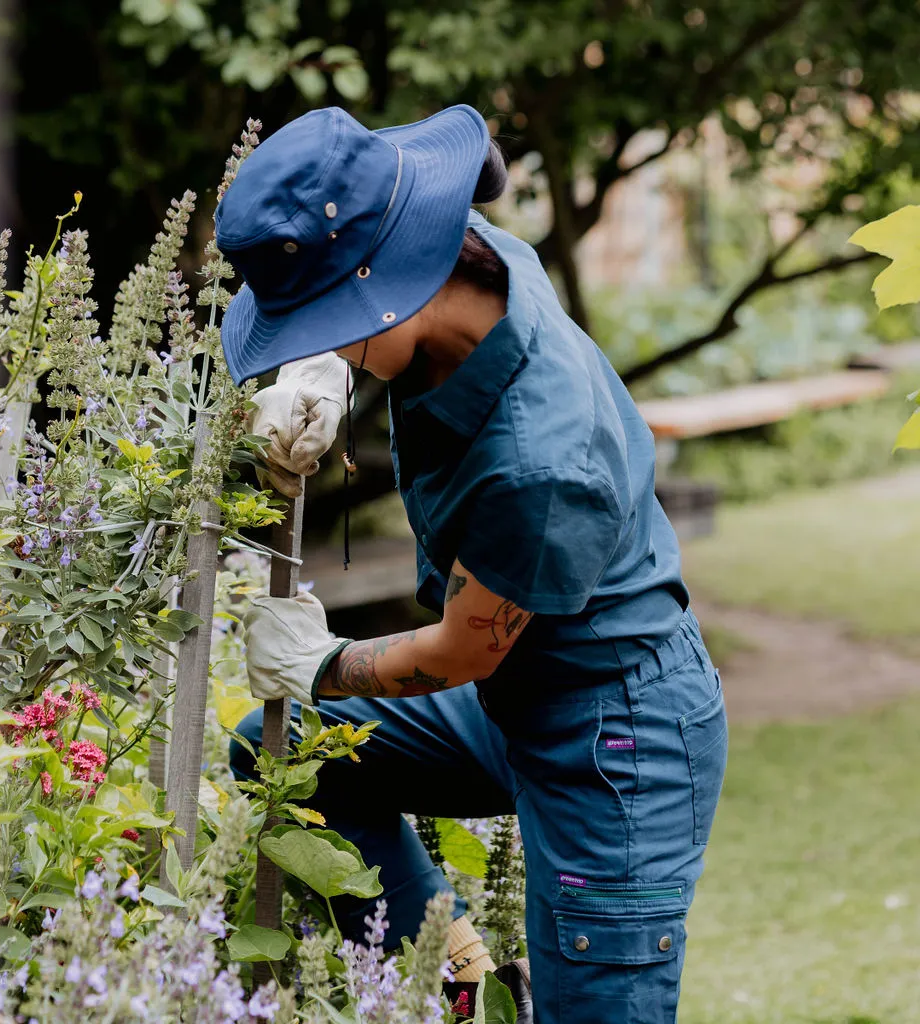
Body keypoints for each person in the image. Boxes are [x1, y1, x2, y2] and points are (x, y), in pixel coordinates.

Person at [215, 104, 728, 1024]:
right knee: (287, 755)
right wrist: (327, 371)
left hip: (617, 740)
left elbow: (462, 652)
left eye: (323, 326)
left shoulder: (537, 464)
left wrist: (321, 666)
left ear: (389, 289)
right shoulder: (468, 257)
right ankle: (461, 982)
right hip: (530, 693)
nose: (312, 344)